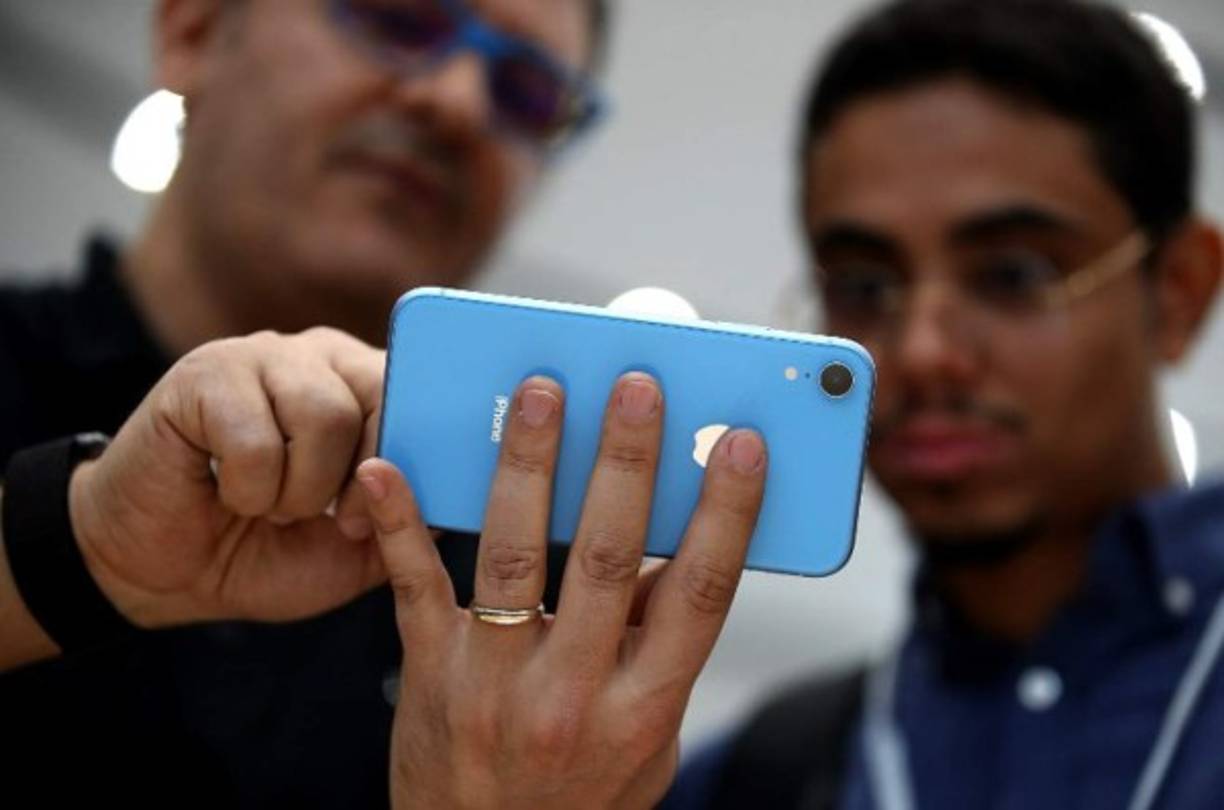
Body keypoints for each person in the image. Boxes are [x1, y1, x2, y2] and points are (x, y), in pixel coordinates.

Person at [0, 0, 635, 806]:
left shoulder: (519, 580)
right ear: (191, 31)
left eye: (528, 91)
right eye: (400, 20)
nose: (460, 101)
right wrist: (78, 542)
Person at [662, 0, 1224, 808]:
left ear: (1176, 294)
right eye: (862, 286)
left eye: (1013, 274)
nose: (921, 352)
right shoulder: (755, 781)